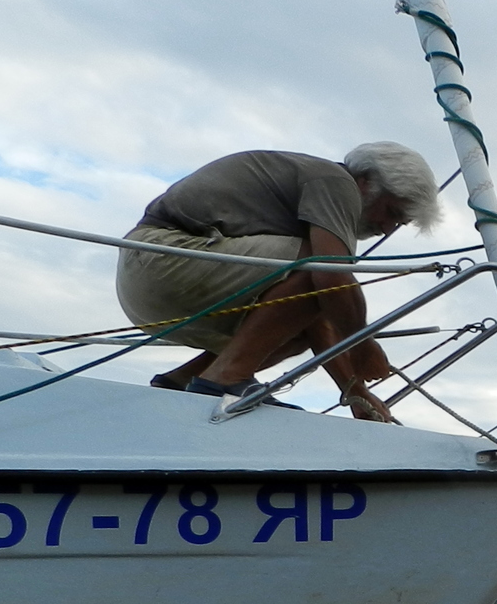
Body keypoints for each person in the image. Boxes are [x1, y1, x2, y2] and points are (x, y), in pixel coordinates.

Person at [116, 143, 442, 420]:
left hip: (149, 276)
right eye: (391, 212)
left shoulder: (317, 194)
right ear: (365, 181)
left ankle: (184, 381)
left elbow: (319, 310)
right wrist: (364, 344)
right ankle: (226, 377)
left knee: (303, 323)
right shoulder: (335, 181)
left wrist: (356, 394)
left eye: (399, 223)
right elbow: (329, 275)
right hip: (160, 259)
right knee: (321, 269)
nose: (387, 228)